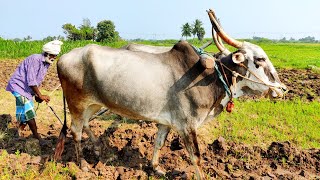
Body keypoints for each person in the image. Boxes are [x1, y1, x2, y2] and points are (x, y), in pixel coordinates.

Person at [6, 40, 63, 145]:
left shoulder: (46, 63)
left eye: (55, 56)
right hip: (19, 86)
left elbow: (37, 80)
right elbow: (31, 80)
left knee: (24, 111)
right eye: (52, 55)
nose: (54, 58)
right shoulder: (35, 59)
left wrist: (37, 95)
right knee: (29, 112)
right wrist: (40, 95)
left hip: (26, 89)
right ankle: (37, 137)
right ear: (46, 53)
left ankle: (17, 133)